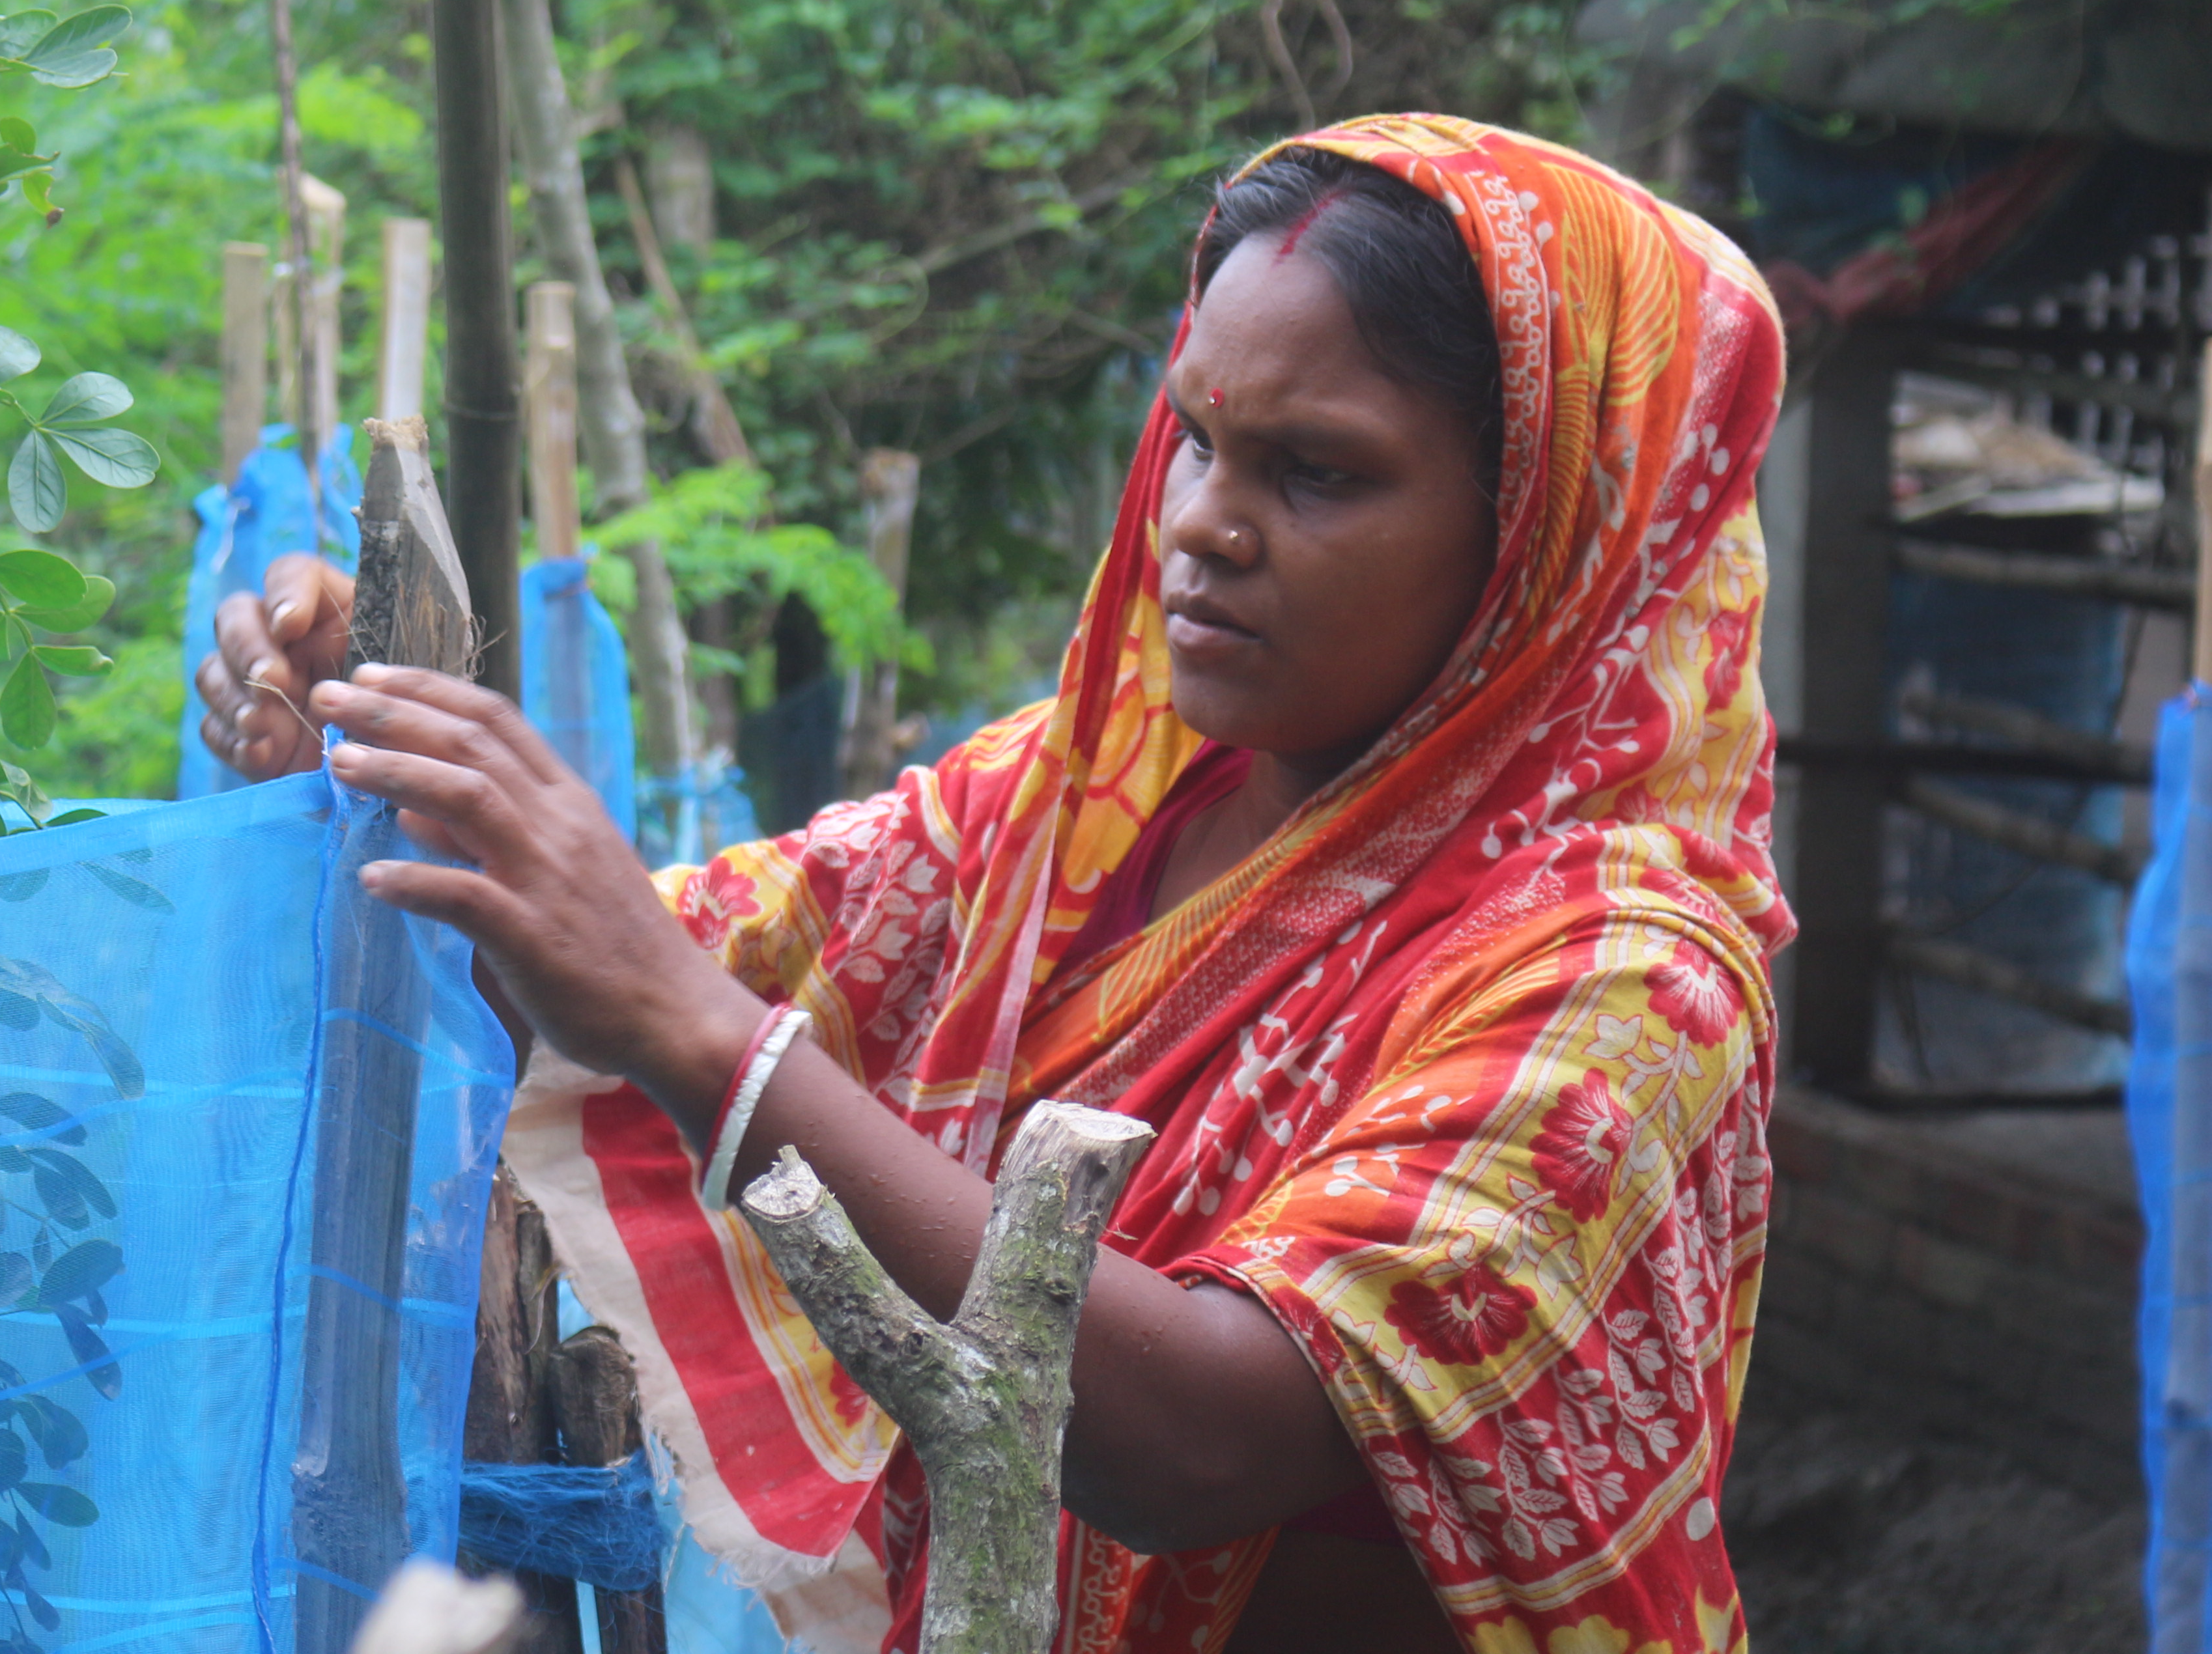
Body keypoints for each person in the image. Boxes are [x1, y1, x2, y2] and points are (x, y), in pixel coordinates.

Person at [197, 115, 1788, 1654]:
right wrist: (383, 761)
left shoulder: (1625, 975)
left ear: (1545, 534)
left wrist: (701, 1037)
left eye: (1315, 472)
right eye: (1196, 437)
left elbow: (1205, 1438)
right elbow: (617, 970)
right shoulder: (1080, 805)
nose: (1202, 523)